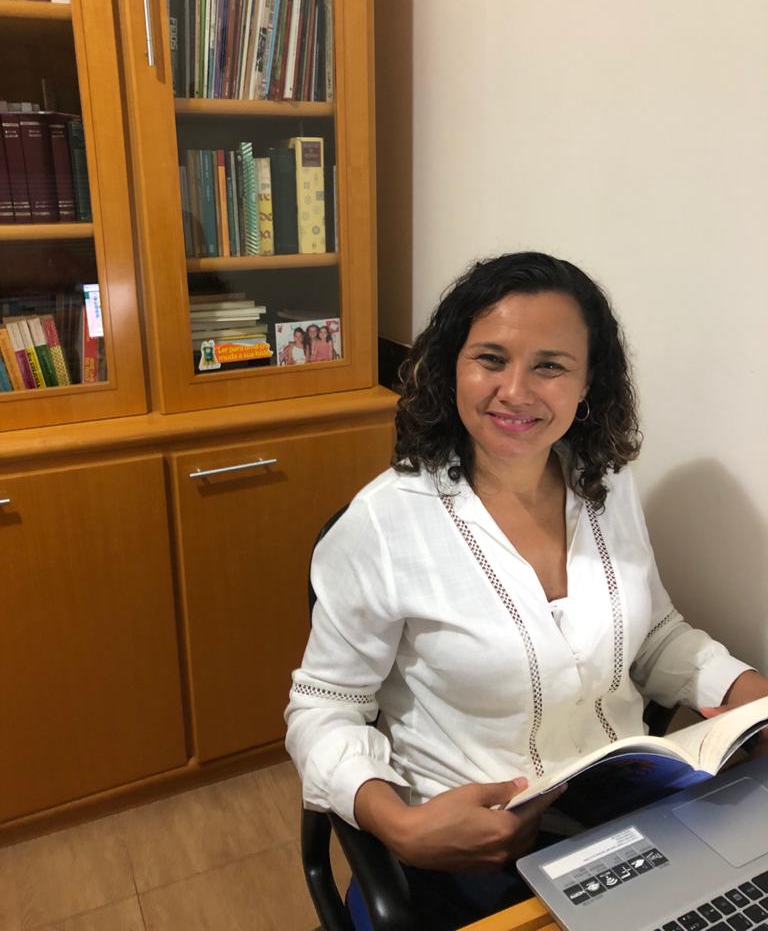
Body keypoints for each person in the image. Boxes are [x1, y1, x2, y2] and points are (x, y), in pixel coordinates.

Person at [285, 252, 768, 930]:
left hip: (632, 814)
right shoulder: (383, 526)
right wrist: (399, 825)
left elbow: (655, 635)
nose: (514, 391)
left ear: (588, 382)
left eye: (550, 366)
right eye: (490, 358)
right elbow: (325, 708)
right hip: (474, 843)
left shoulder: (605, 483)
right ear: (451, 367)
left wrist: (746, 691)